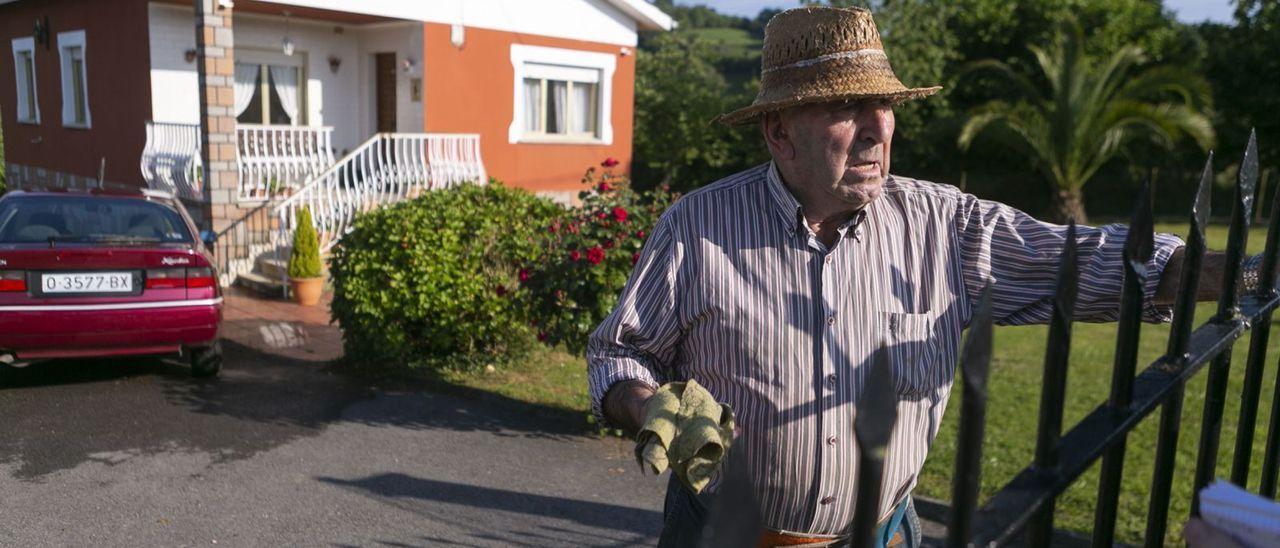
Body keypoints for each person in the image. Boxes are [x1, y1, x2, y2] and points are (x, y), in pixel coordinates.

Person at [587, 7, 1246, 547]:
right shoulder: (699, 227)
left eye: (886, 104)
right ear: (779, 131)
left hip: (887, 535)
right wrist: (645, 401)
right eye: (848, 106)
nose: (878, 127)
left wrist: (1242, 272)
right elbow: (620, 349)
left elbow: (1098, 263)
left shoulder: (946, 227)